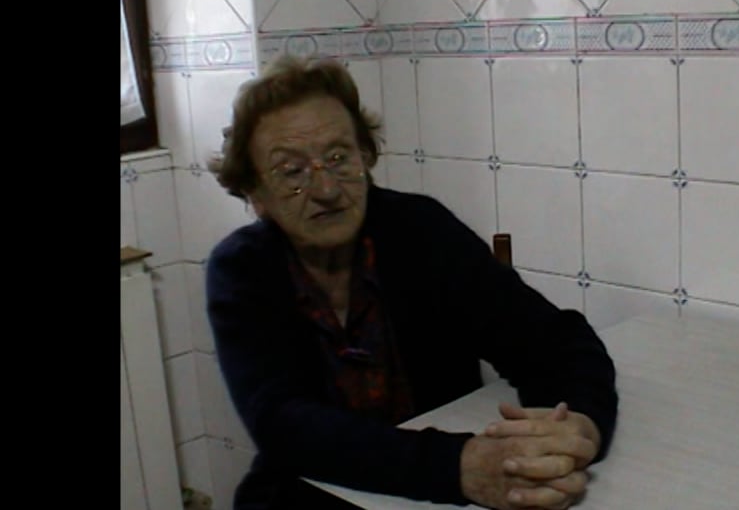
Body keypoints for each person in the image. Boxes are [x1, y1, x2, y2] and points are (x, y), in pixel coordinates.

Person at [205, 53, 619, 510]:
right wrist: (459, 466)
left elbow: (552, 340)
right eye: (292, 172)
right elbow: (283, 424)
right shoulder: (242, 270)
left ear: (366, 157)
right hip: (310, 496)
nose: (326, 189)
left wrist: (576, 425)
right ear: (255, 193)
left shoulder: (421, 229)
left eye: (339, 158)